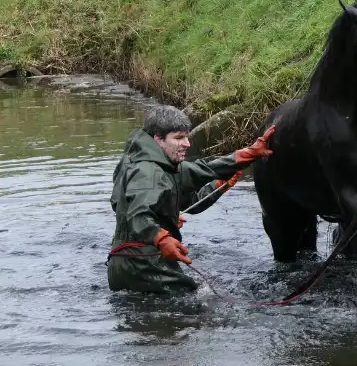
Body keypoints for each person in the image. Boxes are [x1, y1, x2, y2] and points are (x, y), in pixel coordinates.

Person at [107, 105, 274, 294]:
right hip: (144, 265)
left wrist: (220, 183)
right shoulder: (150, 172)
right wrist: (161, 237)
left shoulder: (148, 163)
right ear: (158, 139)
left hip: (123, 265)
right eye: (178, 138)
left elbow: (201, 177)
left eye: (187, 137)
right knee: (199, 311)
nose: (187, 143)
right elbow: (137, 215)